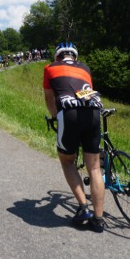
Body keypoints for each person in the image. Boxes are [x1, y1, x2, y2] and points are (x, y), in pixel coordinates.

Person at [43, 42, 106, 233]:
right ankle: (99, 220)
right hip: (94, 113)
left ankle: (83, 208)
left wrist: (55, 116)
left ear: (57, 57)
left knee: (67, 161)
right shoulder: (85, 67)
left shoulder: (50, 68)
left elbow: (49, 97)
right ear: (75, 57)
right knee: (94, 167)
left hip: (69, 114)